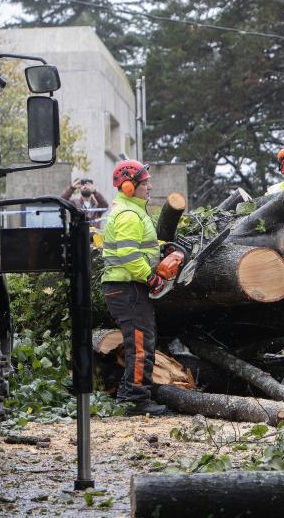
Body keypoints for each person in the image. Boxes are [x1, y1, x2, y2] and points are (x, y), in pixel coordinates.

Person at [101, 159, 168, 416]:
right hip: (127, 287)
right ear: (129, 187)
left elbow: (140, 247)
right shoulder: (128, 214)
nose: (149, 186)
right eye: (145, 183)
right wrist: (150, 278)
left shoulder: (132, 210)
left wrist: (161, 251)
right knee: (140, 343)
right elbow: (129, 255)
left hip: (128, 287)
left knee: (141, 341)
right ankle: (134, 400)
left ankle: (132, 394)